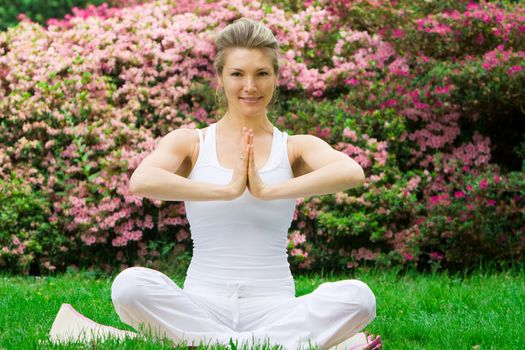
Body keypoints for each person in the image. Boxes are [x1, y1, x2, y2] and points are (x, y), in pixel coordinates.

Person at [49, 18, 382, 350]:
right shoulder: (192, 142)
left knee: (360, 298)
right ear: (220, 79)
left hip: (275, 308)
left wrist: (266, 189)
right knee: (129, 286)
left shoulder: (294, 147)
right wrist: (227, 189)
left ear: (276, 79)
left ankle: (212, 346)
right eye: (237, 73)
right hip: (202, 306)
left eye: (262, 73)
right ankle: (271, 346)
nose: (249, 85)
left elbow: (351, 171)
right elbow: (142, 180)